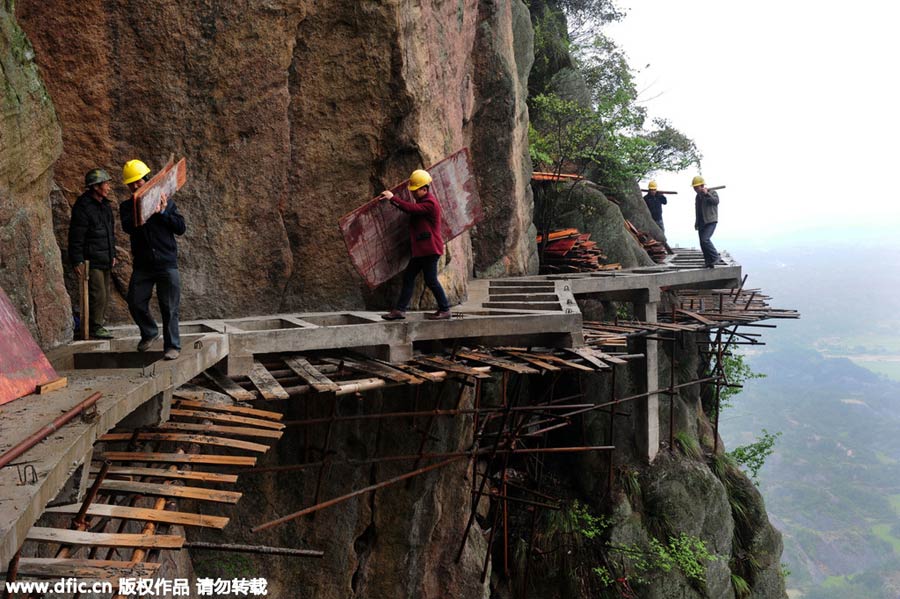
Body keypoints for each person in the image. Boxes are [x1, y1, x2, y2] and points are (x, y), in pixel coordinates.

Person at [119, 159, 186, 360]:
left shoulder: (166, 202)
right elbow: (128, 227)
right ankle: (149, 332)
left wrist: (163, 212)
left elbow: (180, 227)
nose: (135, 186)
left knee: (170, 307)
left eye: (138, 181)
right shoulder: (127, 206)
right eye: (131, 183)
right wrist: (145, 211)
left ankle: (172, 346)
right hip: (143, 266)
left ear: (146, 179)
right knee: (135, 301)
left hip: (166, 263)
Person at [379, 169, 452, 321]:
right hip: (422, 251)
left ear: (424, 189)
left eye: (415, 190)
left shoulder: (430, 203)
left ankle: (445, 309)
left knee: (430, 280)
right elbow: (411, 209)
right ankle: (400, 310)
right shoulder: (423, 201)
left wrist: (393, 198)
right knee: (409, 277)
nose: (413, 193)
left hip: (430, 250)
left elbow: (411, 209)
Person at [68, 169, 117, 339]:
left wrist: (113, 254)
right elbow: (76, 236)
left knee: (104, 293)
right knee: (98, 294)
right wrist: (77, 261)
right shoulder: (83, 207)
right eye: (106, 184)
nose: (108, 187)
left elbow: (110, 232)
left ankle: (97, 324)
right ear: (95, 187)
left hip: (105, 258)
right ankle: (95, 327)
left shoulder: (105, 205)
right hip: (91, 260)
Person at [692, 175, 720, 268]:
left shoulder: (712, 192)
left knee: (705, 240)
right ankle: (708, 262)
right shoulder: (697, 196)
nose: (695, 189)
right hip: (701, 222)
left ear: (702, 185)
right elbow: (697, 210)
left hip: (710, 221)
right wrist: (696, 223)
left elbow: (716, 201)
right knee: (702, 243)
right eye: (694, 187)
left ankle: (715, 257)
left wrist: (707, 194)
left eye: (697, 187)